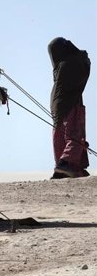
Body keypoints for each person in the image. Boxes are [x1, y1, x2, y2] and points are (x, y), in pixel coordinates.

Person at [48, 37, 91, 178]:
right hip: (70, 104)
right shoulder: (70, 63)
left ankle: (67, 168)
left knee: (60, 135)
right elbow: (84, 59)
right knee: (74, 135)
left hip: (56, 106)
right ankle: (66, 164)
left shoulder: (58, 68)